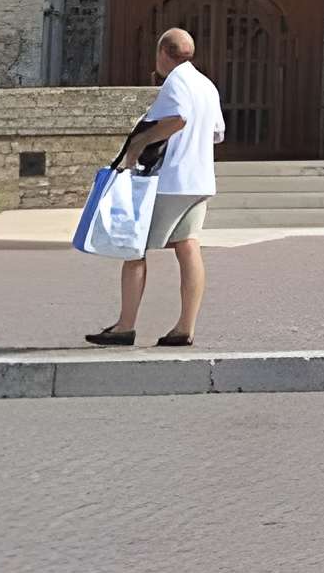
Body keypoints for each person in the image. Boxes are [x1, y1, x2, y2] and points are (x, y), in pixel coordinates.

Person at [87, 27, 223, 348]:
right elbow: (217, 132)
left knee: (134, 250)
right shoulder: (206, 84)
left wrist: (138, 145)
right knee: (188, 247)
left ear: (163, 53)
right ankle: (184, 327)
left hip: (172, 180)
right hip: (200, 179)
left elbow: (178, 119)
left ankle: (125, 325)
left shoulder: (176, 81)